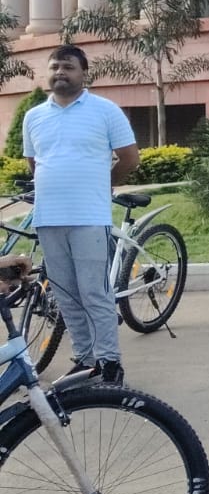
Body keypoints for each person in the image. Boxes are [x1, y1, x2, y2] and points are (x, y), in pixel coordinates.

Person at [22, 46, 139, 384]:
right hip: (48, 218)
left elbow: (130, 159)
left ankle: (110, 362)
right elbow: (35, 164)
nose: (60, 72)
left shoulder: (105, 111)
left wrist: (103, 184)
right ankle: (86, 360)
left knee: (94, 292)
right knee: (66, 295)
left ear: (83, 72)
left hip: (89, 216)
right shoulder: (34, 117)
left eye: (68, 67)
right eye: (55, 66)